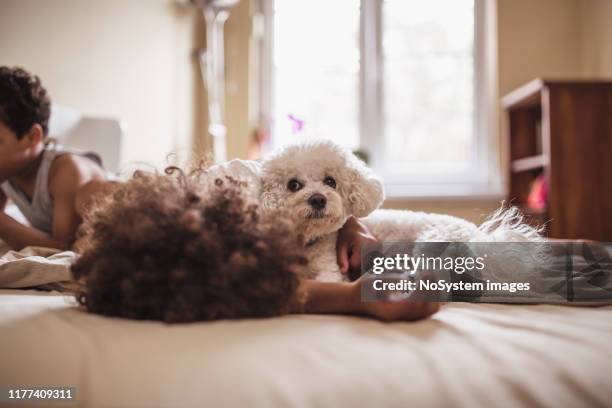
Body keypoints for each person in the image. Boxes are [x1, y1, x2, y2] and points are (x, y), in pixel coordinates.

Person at [0, 66, 109, 250]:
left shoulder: (65, 171)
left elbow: (63, 248)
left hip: (133, 212)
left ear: (32, 136)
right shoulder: (7, 170)